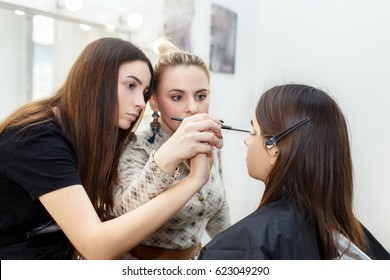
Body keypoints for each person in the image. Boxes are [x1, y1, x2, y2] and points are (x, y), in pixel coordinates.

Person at [0, 37, 223, 260]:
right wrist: (193, 180)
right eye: (130, 85)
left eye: (144, 92)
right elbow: (96, 246)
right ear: (95, 81)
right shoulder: (36, 138)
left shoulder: (93, 140)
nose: (140, 102)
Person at [198, 84, 390, 260]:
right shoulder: (350, 238)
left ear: (274, 148)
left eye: (253, 131)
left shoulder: (236, 249)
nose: (246, 140)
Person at [112, 40, 231, 260]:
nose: (193, 108)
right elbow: (123, 213)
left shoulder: (209, 140)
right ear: (155, 102)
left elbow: (219, 211)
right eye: (177, 97)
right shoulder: (134, 147)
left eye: (201, 96)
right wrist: (171, 154)